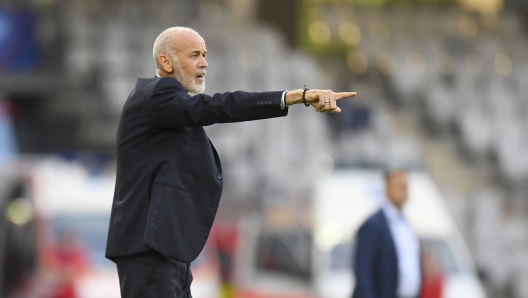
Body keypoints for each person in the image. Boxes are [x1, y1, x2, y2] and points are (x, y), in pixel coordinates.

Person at [105, 26, 357, 298]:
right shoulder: (157, 94)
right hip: (150, 250)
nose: (204, 62)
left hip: (166, 248)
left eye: (204, 54)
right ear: (166, 62)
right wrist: (293, 97)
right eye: (194, 55)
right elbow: (218, 105)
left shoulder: (168, 107)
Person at [352, 170, 421, 298]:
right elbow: (363, 272)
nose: (404, 190)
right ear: (387, 189)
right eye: (399, 186)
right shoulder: (373, 225)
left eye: (406, 186)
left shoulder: (407, 225)